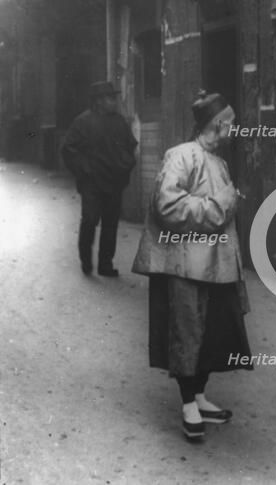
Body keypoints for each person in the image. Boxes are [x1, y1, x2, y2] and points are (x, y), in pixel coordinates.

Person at [131, 92, 253, 441]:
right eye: (231, 124)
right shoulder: (181, 155)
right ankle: (187, 404)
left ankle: (199, 395)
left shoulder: (218, 160)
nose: (234, 129)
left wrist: (225, 204)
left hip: (216, 265)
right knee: (187, 331)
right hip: (186, 266)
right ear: (218, 124)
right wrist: (219, 205)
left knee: (211, 330)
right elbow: (166, 207)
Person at [61, 81, 138, 276]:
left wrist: (125, 166)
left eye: (114, 98)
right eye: (110, 98)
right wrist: (84, 171)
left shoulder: (119, 122)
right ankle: (86, 261)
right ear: (98, 101)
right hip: (92, 183)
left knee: (110, 224)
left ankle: (105, 264)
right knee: (90, 219)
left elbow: (131, 146)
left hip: (113, 182)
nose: (114, 102)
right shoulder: (82, 122)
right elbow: (68, 149)